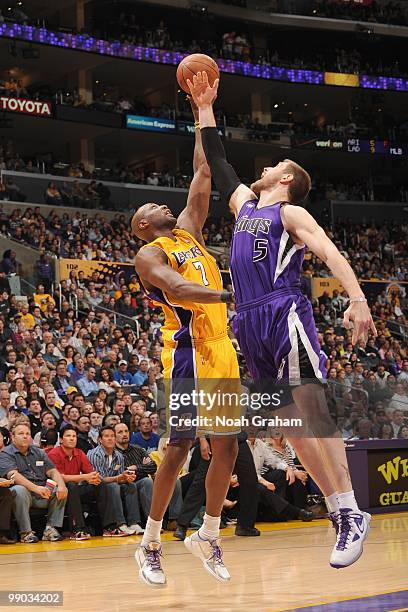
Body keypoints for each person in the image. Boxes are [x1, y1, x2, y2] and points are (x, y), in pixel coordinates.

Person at [188, 71, 377, 569]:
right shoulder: (245, 206)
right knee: (289, 429)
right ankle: (341, 511)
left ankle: (352, 509)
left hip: (283, 311)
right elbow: (220, 161)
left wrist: (356, 297)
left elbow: (329, 252)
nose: (265, 167)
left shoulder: (289, 215)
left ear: (286, 180)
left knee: (311, 412)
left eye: (274, 165)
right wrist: (205, 107)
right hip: (248, 323)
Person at [131, 96, 239, 586]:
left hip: (221, 345)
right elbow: (177, 289)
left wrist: (202, 111)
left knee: (229, 447)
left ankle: (208, 534)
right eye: (150, 206)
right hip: (188, 349)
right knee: (178, 448)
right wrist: (228, 293)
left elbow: (202, 172)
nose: (160, 202)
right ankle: (150, 542)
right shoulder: (148, 252)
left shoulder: (190, 234)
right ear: (141, 224)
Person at [0, 422, 68, 543]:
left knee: (60, 489)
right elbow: (13, 475)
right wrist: (36, 488)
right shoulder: (6, 453)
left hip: (42, 491)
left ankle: (50, 529)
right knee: (19, 490)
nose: (25, 436)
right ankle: (26, 532)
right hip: (24, 494)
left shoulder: (39, 452)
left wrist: (62, 485)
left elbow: (53, 471)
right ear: (13, 437)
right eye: (21, 433)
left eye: (27, 434)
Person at [87, 426, 145, 536]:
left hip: (113, 485)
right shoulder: (94, 454)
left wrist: (126, 478)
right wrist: (118, 478)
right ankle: (120, 524)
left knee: (130, 485)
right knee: (113, 486)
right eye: (106, 436)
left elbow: (120, 476)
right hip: (95, 487)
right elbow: (99, 479)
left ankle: (134, 523)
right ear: (100, 439)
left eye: (112, 436)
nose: (110, 439)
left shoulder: (118, 456)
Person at [48, 425, 101, 540]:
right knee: (71, 486)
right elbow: (60, 478)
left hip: (75, 490)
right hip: (57, 490)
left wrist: (94, 478)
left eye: (74, 436)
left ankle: (109, 526)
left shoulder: (79, 452)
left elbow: (90, 473)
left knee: (101, 485)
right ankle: (77, 529)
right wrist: (85, 477)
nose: (72, 438)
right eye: (68, 436)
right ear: (61, 440)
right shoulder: (54, 453)